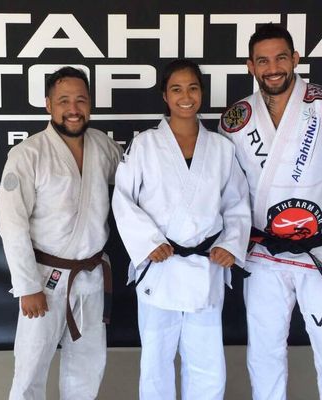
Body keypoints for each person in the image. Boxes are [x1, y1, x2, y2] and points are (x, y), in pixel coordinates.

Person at [217, 23, 322, 400]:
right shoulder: (236, 120)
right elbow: (230, 194)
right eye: (263, 60)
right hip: (264, 255)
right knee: (264, 352)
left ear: (295, 59)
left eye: (280, 58)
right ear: (250, 66)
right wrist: (233, 243)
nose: (272, 67)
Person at [113, 59, 251, 400]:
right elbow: (123, 199)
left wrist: (231, 245)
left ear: (201, 93)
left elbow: (237, 203)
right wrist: (148, 243)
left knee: (206, 360)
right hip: (160, 265)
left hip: (206, 266)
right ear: (165, 95)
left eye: (192, 88)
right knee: (156, 359)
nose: (185, 96)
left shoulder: (221, 148)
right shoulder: (144, 144)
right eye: (176, 89)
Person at [0, 66, 122, 400]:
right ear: (48, 104)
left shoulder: (104, 147)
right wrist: (27, 286)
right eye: (64, 100)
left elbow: (137, 184)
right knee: (31, 368)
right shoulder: (29, 154)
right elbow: (11, 221)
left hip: (91, 276)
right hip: (45, 279)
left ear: (90, 104)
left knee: (87, 366)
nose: (73, 108)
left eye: (81, 99)